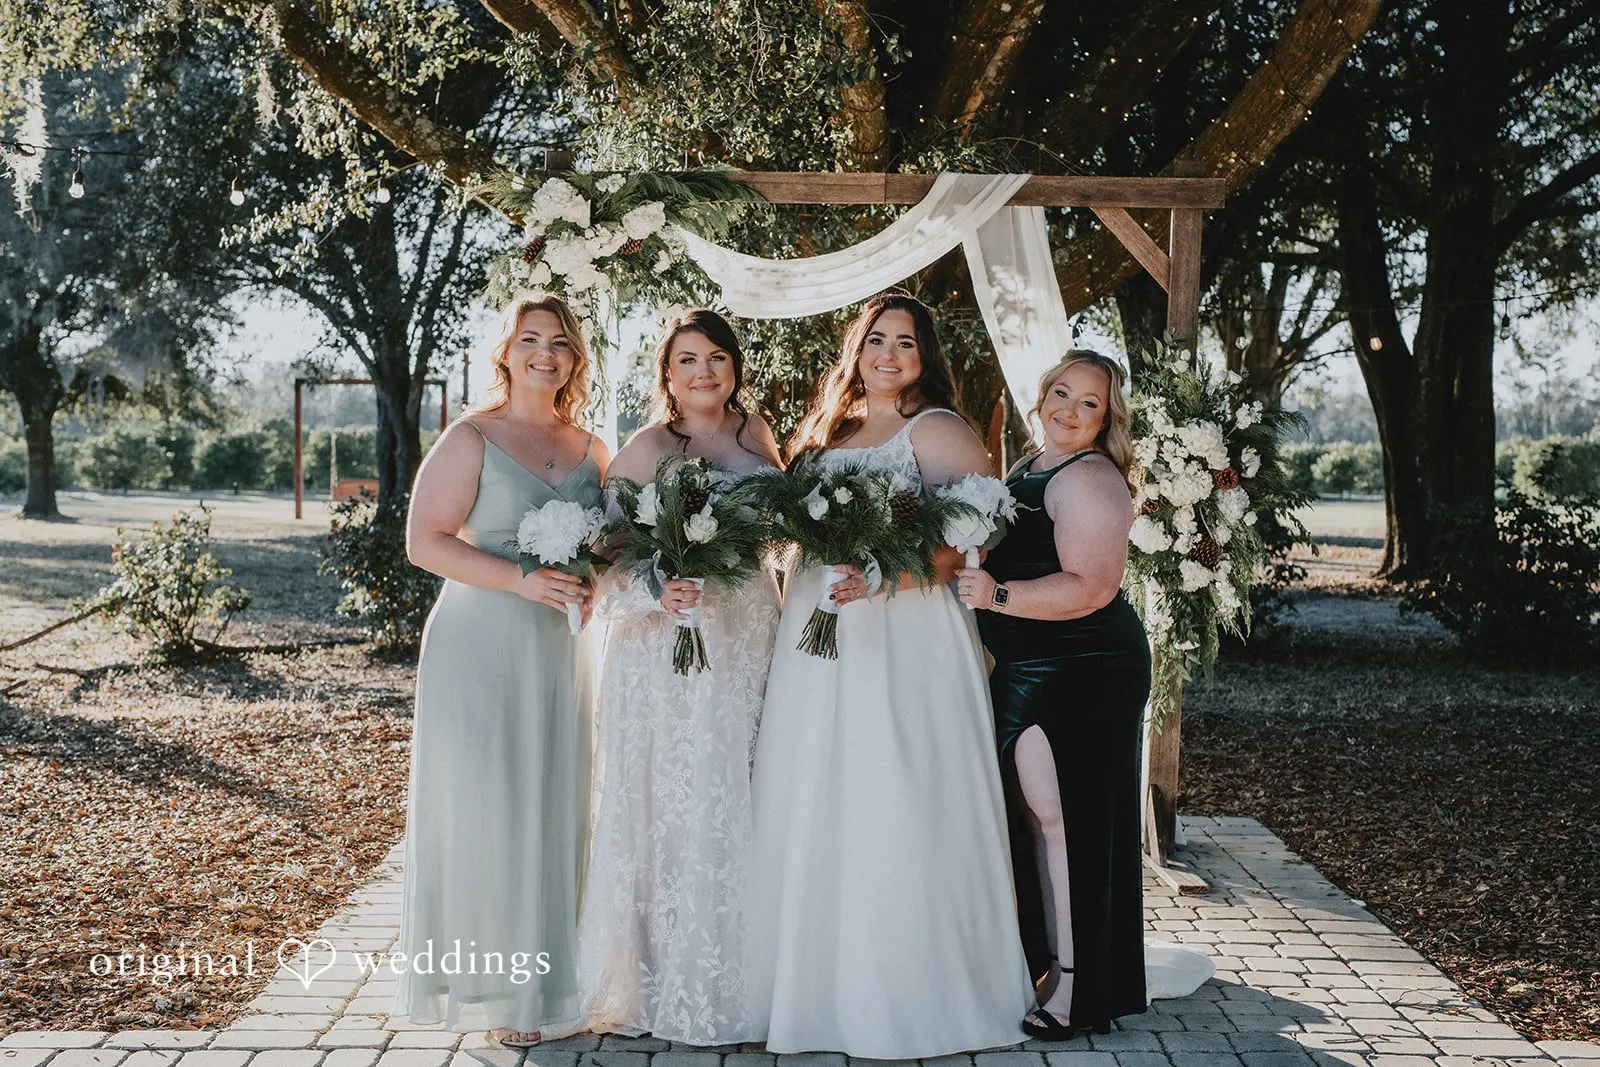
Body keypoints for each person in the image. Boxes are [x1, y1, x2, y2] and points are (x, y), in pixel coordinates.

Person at [746, 292, 1033, 1057]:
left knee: (896, 788)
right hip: (820, 636)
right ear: (856, 346)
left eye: (906, 342)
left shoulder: (937, 429)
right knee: (819, 789)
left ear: (924, 357)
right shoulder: (826, 431)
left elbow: (974, 535)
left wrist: (887, 576)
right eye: (877, 338)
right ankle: (813, 987)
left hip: (905, 634)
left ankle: (907, 990)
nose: (889, 353)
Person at [393, 292, 609, 1047]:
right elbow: (424, 541)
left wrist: (599, 579)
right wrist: (520, 578)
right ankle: (495, 992)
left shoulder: (593, 450)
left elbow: (608, 550)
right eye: (530, 340)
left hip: (557, 650)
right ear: (506, 352)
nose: (544, 353)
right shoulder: (470, 436)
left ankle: (551, 981)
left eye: (558, 342)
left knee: (552, 801)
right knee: (488, 807)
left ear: (574, 358)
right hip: (479, 645)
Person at [574, 309, 783, 1044]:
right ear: (666, 372)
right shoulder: (644, 447)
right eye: (687, 359)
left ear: (735, 368)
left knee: (740, 780)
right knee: (671, 792)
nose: (703, 372)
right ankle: (659, 972)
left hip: (745, 629)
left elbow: (780, 528)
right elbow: (608, 557)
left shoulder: (756, 437)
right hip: (667, 642)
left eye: (717, 358)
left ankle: (741, 965)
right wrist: (658, 588)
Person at [956, 350, 1150, 1039]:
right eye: (1061, 392)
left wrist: (997, 594)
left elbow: (1092, 586)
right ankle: (1058, 963)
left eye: (1089, 402)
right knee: (1042, 818)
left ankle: (1076, 989)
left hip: (1083, 666)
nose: (1069, 408)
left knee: (1062, 818)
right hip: (1032, 664)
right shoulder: (1032, 464)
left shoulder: (1091, 479)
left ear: (1106, 421)